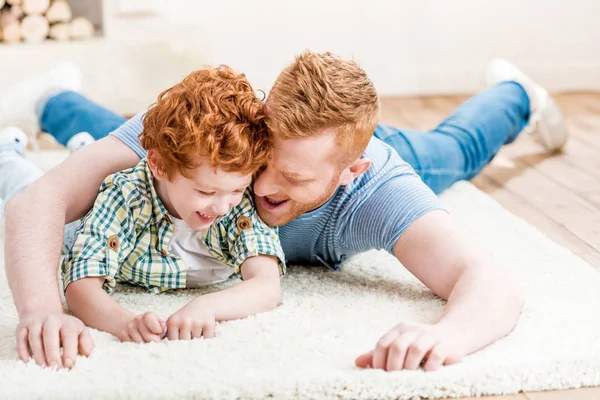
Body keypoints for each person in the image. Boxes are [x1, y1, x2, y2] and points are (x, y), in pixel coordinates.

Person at [1, 53, 567, 372]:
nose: (261, 184)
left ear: (351, 173)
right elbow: (39, 201)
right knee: (127, 143)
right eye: (264, 160)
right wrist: (41, 311)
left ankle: (518, 91)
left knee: (453, 153)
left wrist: (448, 338)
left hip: (391, 151)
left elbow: (489, 280)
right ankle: (55, 97)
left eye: (291, 178)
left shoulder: (378, 187)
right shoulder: (232, 138)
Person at [60, 66, 285, 343]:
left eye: (237, 190)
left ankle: (80, 147)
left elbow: (266, 286)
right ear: (159, 165)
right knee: (30, 204)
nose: (223, 207)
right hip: (80, 229)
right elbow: (80, 284)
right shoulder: (124, 194)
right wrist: (124, 323)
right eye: (205, 191)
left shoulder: (238, 201)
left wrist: (207, 306)